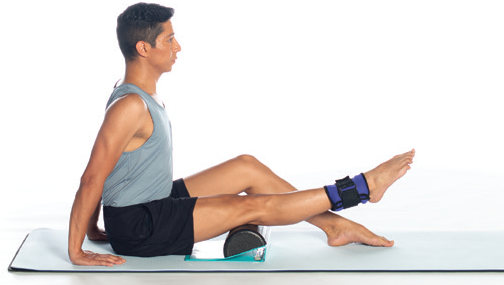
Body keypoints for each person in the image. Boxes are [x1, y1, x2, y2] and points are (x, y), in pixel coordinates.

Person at [68, 2, 415, 267]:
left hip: (152, 203)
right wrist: (77, 249)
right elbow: (93, 178)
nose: (178, 46)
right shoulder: (129, 105)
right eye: (169, 39)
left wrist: (97, 227)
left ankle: (335, 227)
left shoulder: (136, 94)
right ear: (144, 49)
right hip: (141, 226)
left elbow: (113, 172)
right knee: (250, 207)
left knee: (246, 166)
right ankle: (361, 187)